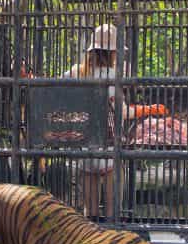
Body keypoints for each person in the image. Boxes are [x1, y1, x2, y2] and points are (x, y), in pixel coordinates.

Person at [63, 24, 166, 220]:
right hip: (108, 148)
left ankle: (91, 241)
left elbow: (56, 90)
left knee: (90, 213)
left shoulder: (77, 72)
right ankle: (112, 234)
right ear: (112, 53)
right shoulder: (111, 76)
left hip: (84, 148)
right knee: (113, 211)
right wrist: (150, 109)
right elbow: (123, 113)